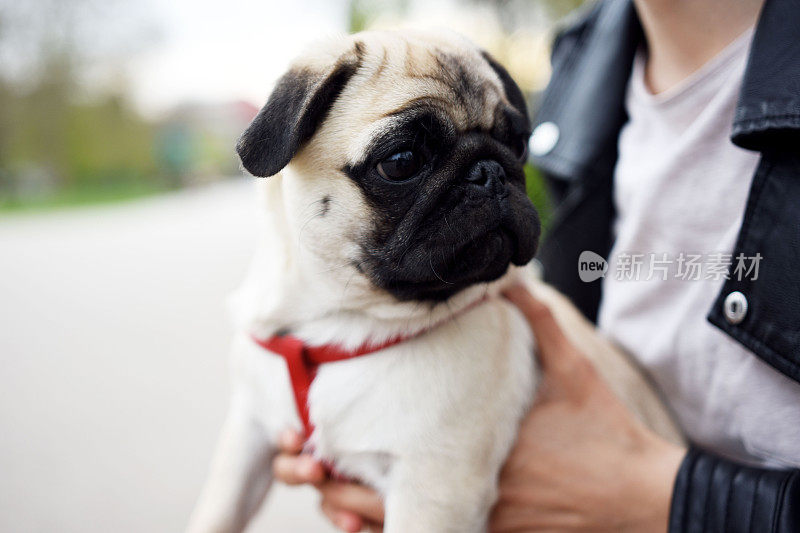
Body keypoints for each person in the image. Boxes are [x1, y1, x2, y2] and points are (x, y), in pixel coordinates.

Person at [272, 0, 800, 530]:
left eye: (508, 148)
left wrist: (661, 499)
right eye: (405, 163)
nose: (488, 184)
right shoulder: (586, 55)